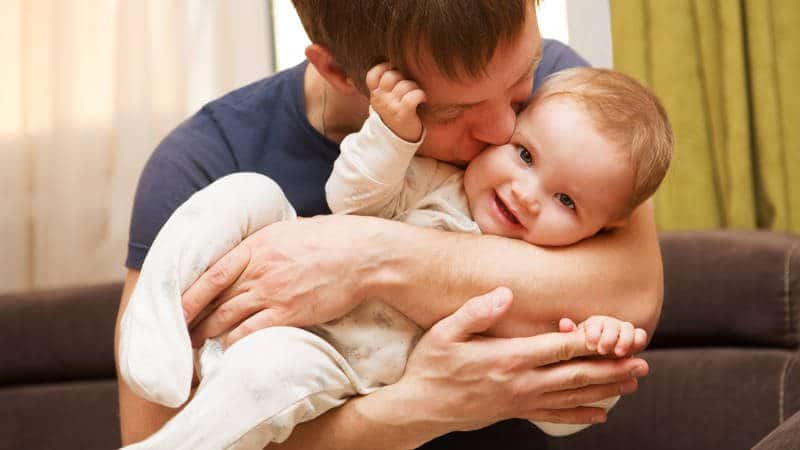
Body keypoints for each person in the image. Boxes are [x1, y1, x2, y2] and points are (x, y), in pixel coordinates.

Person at [115, 1, 662, 448]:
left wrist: (366, 257)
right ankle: (150, 331)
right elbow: (155, 433)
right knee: (245, 200)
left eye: (520, 83)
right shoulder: (207, 157)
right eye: (451, 111)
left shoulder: (567, 101)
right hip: (289, 369)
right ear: (335, 70)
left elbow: (630, 291)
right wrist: (414, 409)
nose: (503, 128)